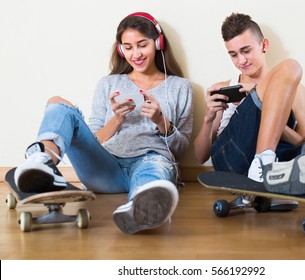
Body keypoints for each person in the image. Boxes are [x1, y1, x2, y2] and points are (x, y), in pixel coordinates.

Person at [14, 12, 194, 234]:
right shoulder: (108, 83)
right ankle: (42, 160)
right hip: (105, 166)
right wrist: (116, 120)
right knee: (57, 103)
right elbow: (94, 139)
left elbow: (182, 149)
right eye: (128, 47)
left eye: (142, 45)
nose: (135, 54)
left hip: (151, 159)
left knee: (153, 177)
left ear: (158, 43)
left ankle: (140, 206)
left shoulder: (180, 87)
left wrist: (160, 120)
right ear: (120, 49)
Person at [194, 13, 305, 198]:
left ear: (264, 45)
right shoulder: (224, 88)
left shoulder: (295, 88)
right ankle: (262, 166)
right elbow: (200, 157)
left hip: (282, 158)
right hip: (234, 159)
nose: (241, 61)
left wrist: (271, 114)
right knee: (291, 66)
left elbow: (300, 140)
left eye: (246, 51)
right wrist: (208, 118)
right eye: (234, 55)